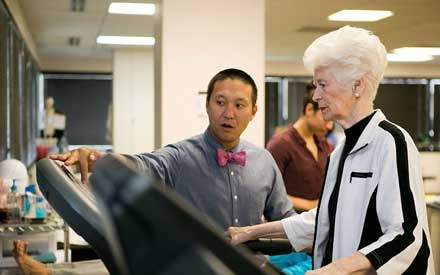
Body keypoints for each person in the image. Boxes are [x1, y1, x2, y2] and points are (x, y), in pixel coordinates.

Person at [226, 26, 434, 274]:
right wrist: (251, 231)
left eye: (322, 84)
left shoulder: (391, 142)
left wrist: (334, 270)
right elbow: (325, 218)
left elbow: (405, 235)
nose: (316, 96)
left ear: (357, 85)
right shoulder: (339, 152)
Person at [50, 68, 295, 230]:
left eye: (239, 105)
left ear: (253, 112)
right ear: (207, 105)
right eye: (220, 102)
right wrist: (96, 159)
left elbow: (286, 221)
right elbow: (142, 164)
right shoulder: (180, 157)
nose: (228, 113)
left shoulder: (264, 162)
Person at [266, 82, 331, 212]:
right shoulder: (280, 144)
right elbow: (269, 193)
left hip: (316, 226)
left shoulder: (324, 144)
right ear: (309, 110)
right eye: (326, 118)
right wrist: (311, 205)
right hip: (289, 225)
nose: (330, 126)